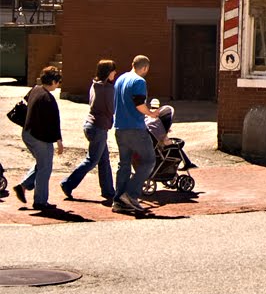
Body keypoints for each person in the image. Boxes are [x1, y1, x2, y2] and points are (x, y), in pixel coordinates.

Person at [59, 59, 117, 202]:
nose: (115, 73)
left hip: (90, 124)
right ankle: (68, 184)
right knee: (92, 160)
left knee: (104, 159)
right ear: (108, 72)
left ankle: (108, 190)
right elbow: (112, 109)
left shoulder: (95, 84)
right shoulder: (108, 89)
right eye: (113, 71)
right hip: (99, 128)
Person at [112, 55, 162, 215]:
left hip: (120, 127)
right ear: (145, 68)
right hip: (135, 128)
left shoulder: (120, 79)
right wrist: (152, 114)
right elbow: (139, 104)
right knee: (149, 160)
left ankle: (118, 199)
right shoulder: (139, 81)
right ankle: (131, 194)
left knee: (124, 164)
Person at [11, 65, 65, 210]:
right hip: (39, 137)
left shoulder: (35, 89)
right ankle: (40, 201)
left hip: (27, 133)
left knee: (42, 163)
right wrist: (59, 142)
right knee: (45, 167)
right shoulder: (48, 99)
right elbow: (54, 123)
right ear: (53, 81)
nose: (58, 84)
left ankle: (22, 187)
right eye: (58, 81)